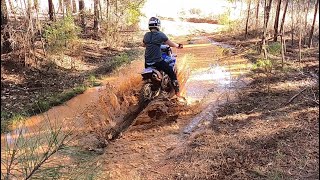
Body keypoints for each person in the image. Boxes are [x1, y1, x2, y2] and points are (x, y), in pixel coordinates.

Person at [142, 17, 183, 96]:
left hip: (147, 62)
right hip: (157, 61)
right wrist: (178, 45)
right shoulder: (160, 35)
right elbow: (169, 43)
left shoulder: (146, 35)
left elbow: (143, 45)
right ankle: (177, 93)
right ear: (158, 25)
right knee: (172, 73)